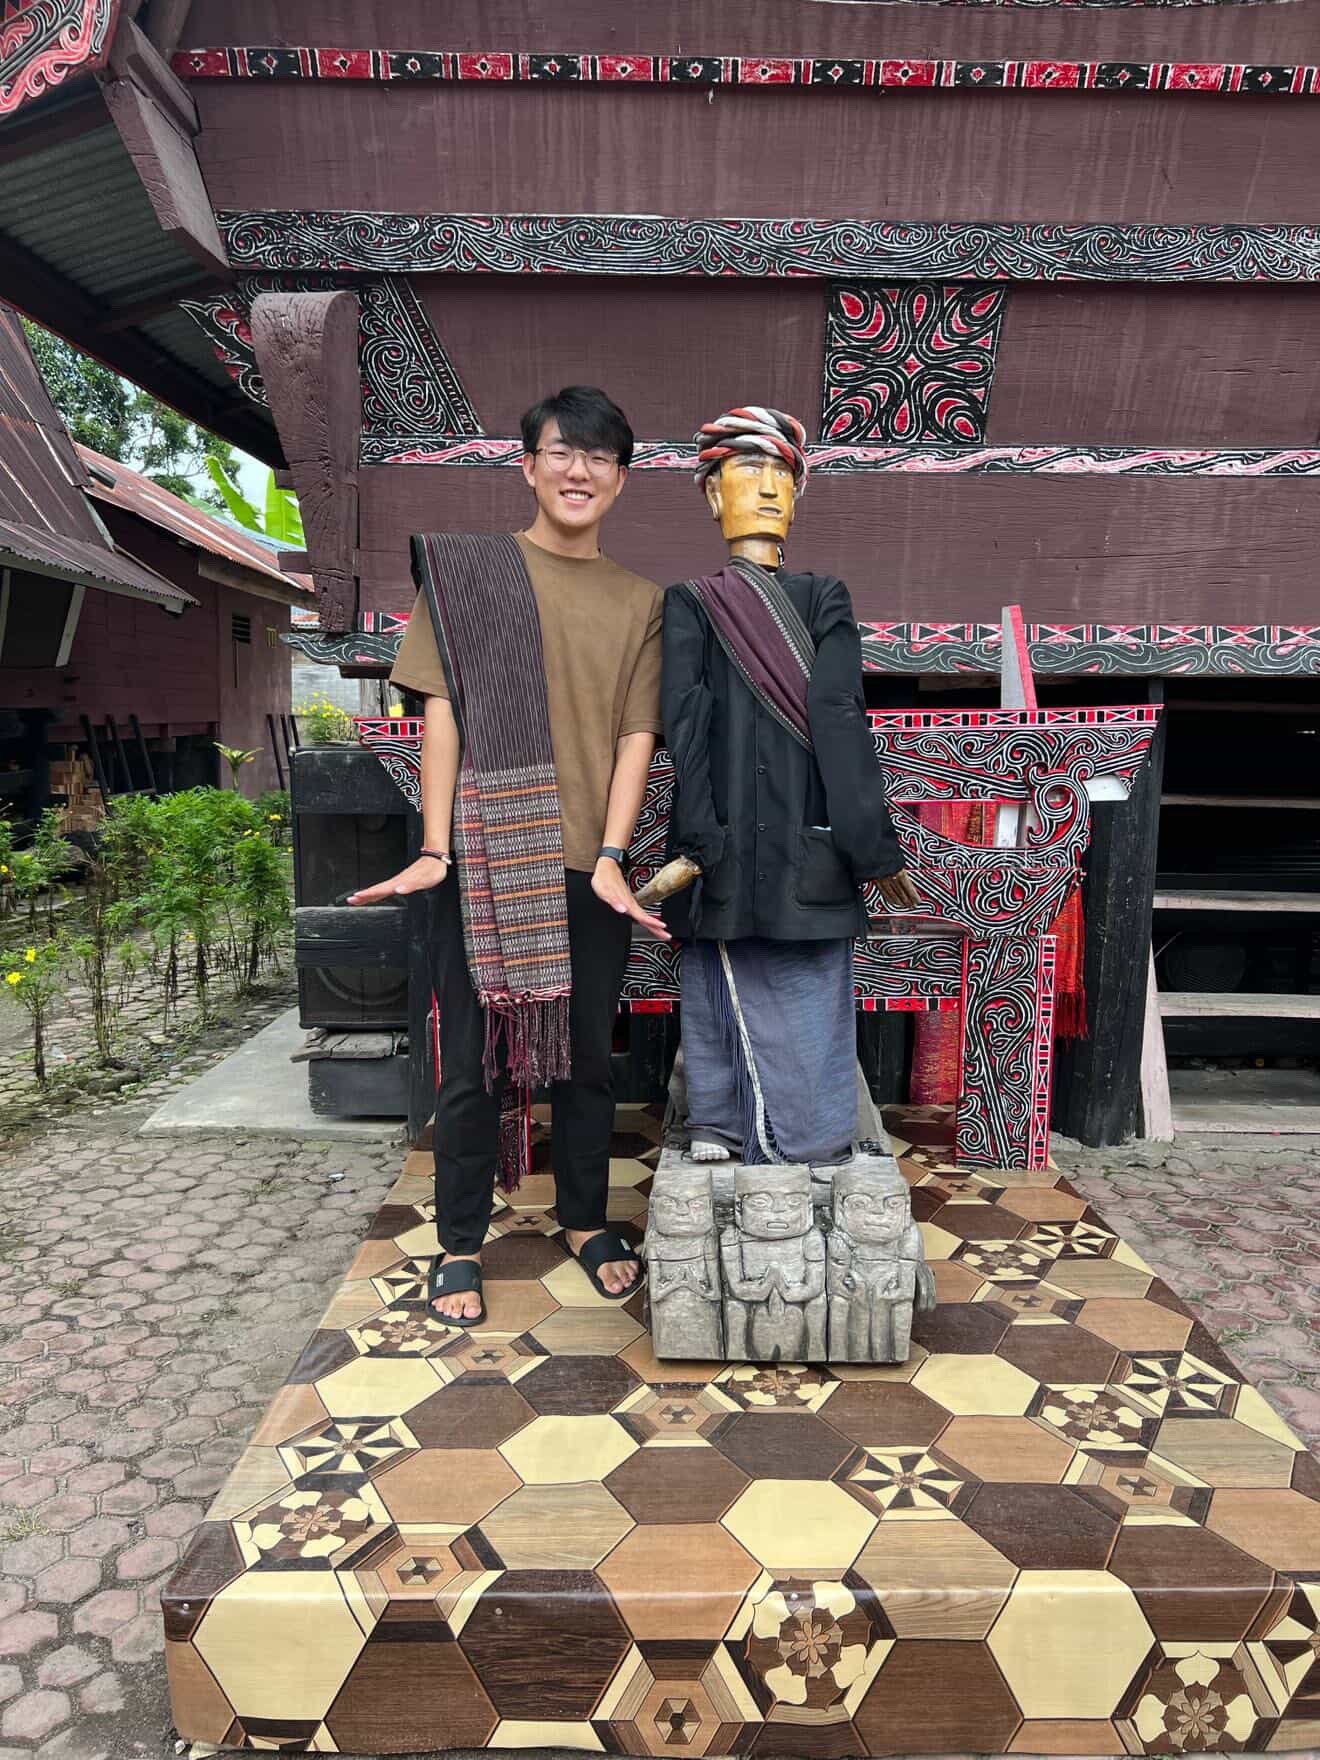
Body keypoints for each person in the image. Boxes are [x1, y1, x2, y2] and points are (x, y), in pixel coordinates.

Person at [350, 386, 668, 1325]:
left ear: (620, 480)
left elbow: (636, 737)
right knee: (471, 1065)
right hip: (486, 860)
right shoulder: (469, 579)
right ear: (528, 466)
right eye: (562, 452)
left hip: (585, 865)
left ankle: (584, 1219)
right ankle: (458, 1242)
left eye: (600, 457)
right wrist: (435, 847)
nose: (579, 471)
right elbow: (442, 714)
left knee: (585, 1060)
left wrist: (611, 854)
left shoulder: (642, 602)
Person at [661, 405, 920, 1167]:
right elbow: (685, 725)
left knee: (810, 986)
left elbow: (839, 716)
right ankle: (717, 1122)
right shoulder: (691, 602)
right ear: (713, 494)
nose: (770, 489)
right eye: (750, 471)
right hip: (720, 837)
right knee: (716, 980)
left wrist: (870, 846)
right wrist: (699, 839)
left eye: (784, 475)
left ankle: (809, 1135)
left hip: (808, 837)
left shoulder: (824, 596)